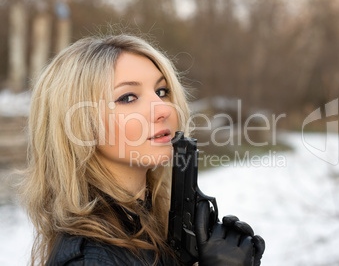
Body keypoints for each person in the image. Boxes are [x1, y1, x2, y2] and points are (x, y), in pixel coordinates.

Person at [19, 34, 265, 266]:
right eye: (127, 97)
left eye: (161, 91)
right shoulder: (91, 259)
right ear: (79, 124)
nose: (164, 109)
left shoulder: (149, 225)